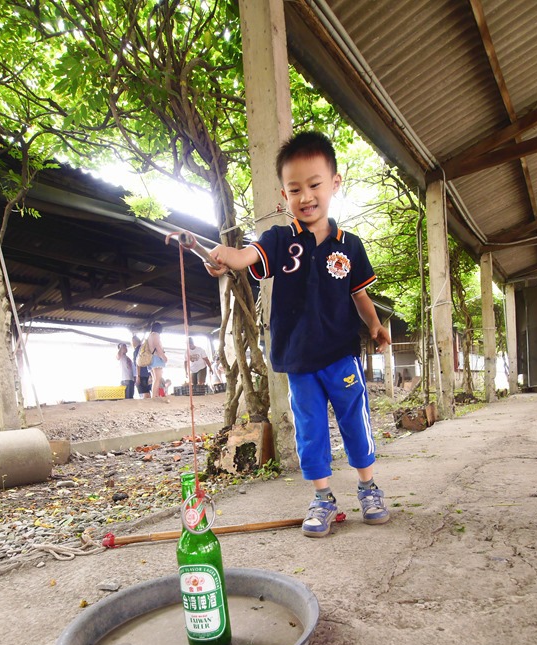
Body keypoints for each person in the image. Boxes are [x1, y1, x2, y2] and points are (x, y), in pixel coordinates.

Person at [206, 130, 391, 537]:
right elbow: (246, 256)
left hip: (341, 353)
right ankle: (322, 497)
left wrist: (375, 325)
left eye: (314, 185)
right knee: (309, 427)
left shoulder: (351, 246)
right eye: (295, 189)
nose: (305, 196)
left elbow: (360, 295)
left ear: (335, 184)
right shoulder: (278, 239)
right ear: (284, 195)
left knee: (354, 420)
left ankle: (368, 487)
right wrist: (226, 258)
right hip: (297, 357)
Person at [147, 321, 168, 399]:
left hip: (151, 358)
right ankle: (154, 396)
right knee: (158, 379)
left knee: (155, 379)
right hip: (156, 358)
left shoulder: (150, 335)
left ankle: (155, 395)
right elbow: (157, 346)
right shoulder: (156, 335)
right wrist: (163, 357)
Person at [131, 335, 151, 399]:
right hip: (148, 373)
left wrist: (138, 376)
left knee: (144, 392)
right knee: (148, 392)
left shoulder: (137, 351)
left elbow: (137, 364)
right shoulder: (144, 349)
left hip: (141, 374)